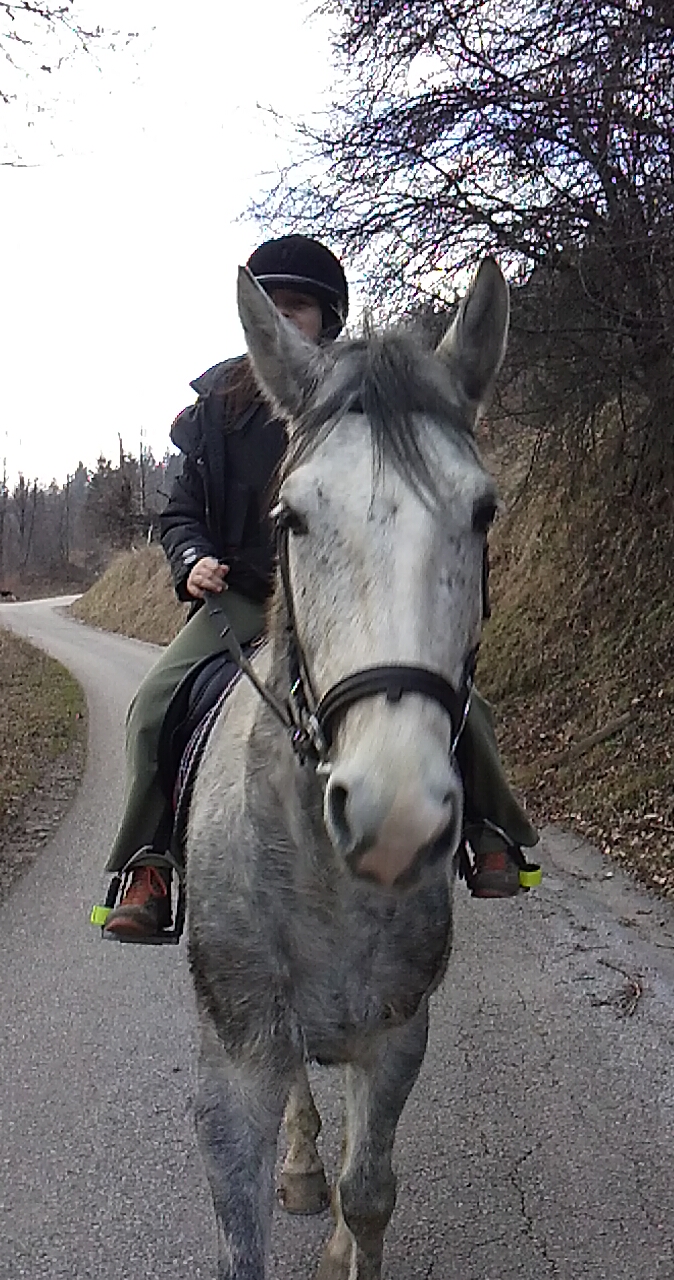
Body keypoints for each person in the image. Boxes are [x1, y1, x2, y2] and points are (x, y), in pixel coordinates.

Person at [103, 234, 538, 940]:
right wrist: (191, 558)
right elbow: (181, 509)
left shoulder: (368, 399)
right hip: (241, 596)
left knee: (461, 705)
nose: (284, 317)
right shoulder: (214, 411)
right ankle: (145, 864)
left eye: (298, 305)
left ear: (329, 317)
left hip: (339, 597)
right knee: (154, 706)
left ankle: (491, 830)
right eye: (272, 305)